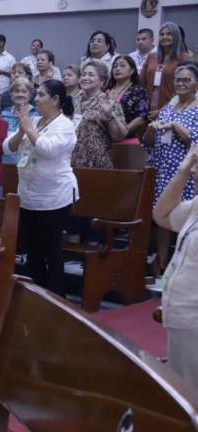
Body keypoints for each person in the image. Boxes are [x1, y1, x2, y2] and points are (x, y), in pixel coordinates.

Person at [4, 79, 78, 296]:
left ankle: (57, 299)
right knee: (32, 252)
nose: (36, 99)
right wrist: (21, 130)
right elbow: (7, 148)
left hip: (54, 197)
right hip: (28, 196)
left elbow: (47, 149)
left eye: (42, 95)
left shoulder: (65, 125)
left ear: (55, 100)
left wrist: (27, 128)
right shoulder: (34, 120)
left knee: (51, 251)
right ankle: (39, 297)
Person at [152, 147, 198, 390]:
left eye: (196, 165)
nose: (193, 170)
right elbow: (161, 215)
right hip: (181, 318)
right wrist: (181, 171)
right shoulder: (196, 205)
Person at [148, 64, 198, 276]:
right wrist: (152, 130)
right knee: (163, 216)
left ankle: (182, 263)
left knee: (184, 217)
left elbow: (194, 140)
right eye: (178, 79)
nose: (180, 83)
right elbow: (156, 135)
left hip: (185, 171)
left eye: (186, 80)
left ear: (196, 83)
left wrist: (174, 126)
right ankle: (161, 265)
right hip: (162, 167)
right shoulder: (171, 104)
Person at [71, 61, 128, 169]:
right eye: (83, 74)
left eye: (91, 75)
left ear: (102, 81)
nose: (85, 78)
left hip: (97, 163)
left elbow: (119, 136)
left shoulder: (108, 102)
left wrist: (110, 115)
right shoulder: (75, 100)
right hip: (73, 161)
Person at [141, 22, 192, 117]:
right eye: (162, 34)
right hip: (147, 105)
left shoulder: (184, 58)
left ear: (176, 36)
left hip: (172, 107)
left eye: (169, 34)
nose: (165, 37)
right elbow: (142, 81)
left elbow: (186, 88)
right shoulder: (151, 56)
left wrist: (163, 110)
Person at [105, 55, 150, 144]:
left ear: (132, 71)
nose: (118, 69)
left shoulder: (138, 91)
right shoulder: (106, 90)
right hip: (105, 140)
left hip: (127, 140)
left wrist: (122, 132)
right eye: (115, 66)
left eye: (122, 65)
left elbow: (141, 117)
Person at [0, 77, 40, 163]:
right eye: (17, 91)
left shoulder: (37, 114)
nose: (20, 94)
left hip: (28, 162)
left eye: (24, 91)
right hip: (5, 161)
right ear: (11, 94)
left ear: (30, 95)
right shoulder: (4, 113)